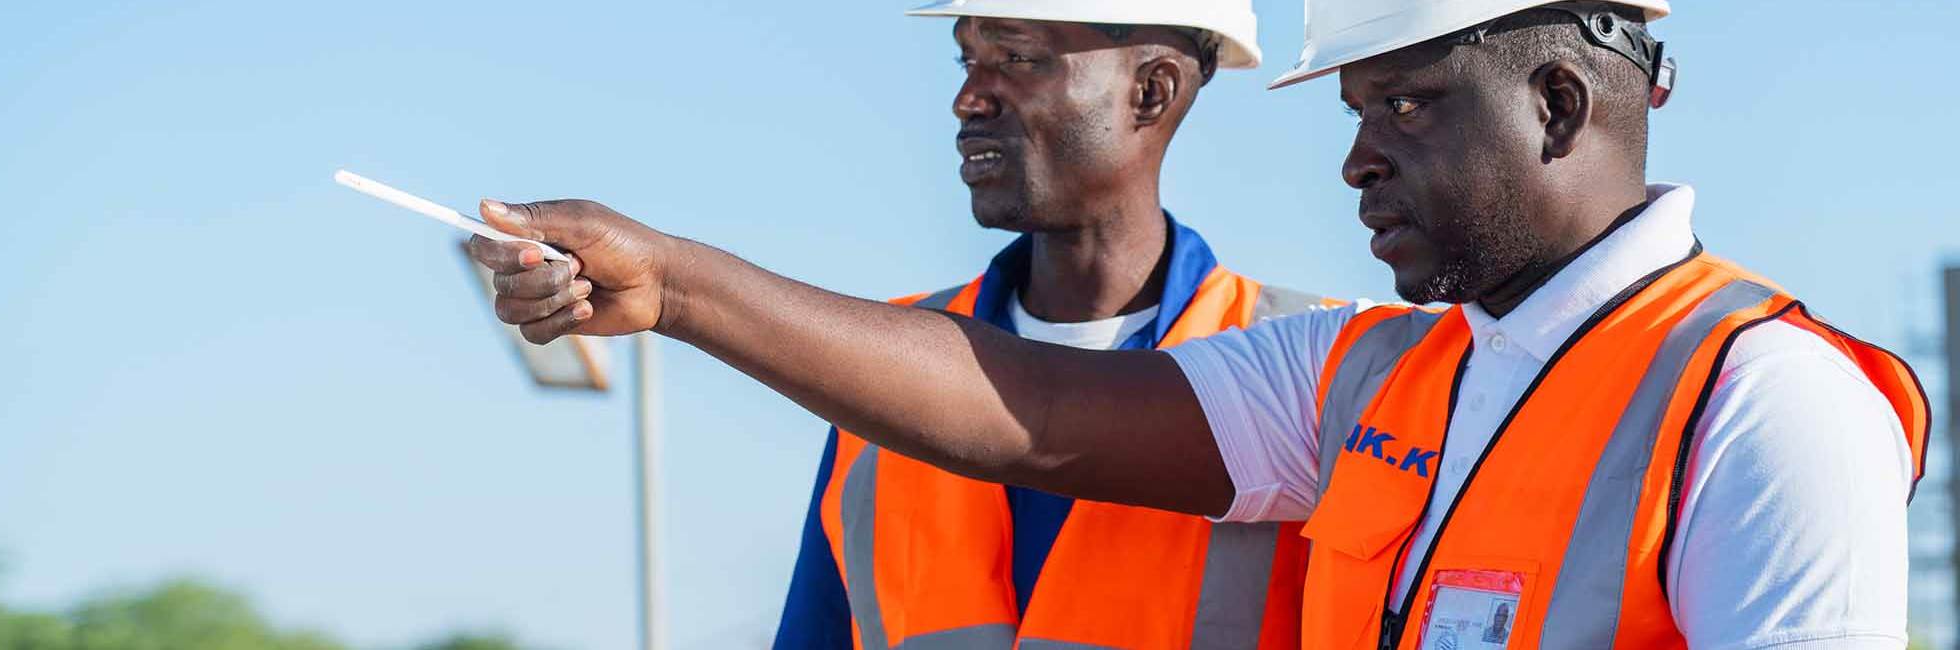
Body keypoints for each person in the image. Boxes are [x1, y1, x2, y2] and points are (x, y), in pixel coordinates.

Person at [462, 0, 1929, 647]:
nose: (1356, 161)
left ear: (1556, 104)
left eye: (1404, 107)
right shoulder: (1379, 372)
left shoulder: (1766, 397)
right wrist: (679, 284)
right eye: (1356, 111)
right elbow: (1022, 415)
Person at [768, 2, 1328, 648]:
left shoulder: (1299, 383)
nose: (968, 99)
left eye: (1017, 59)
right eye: (967, 60)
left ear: (1152, 92)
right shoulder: (879, 368)